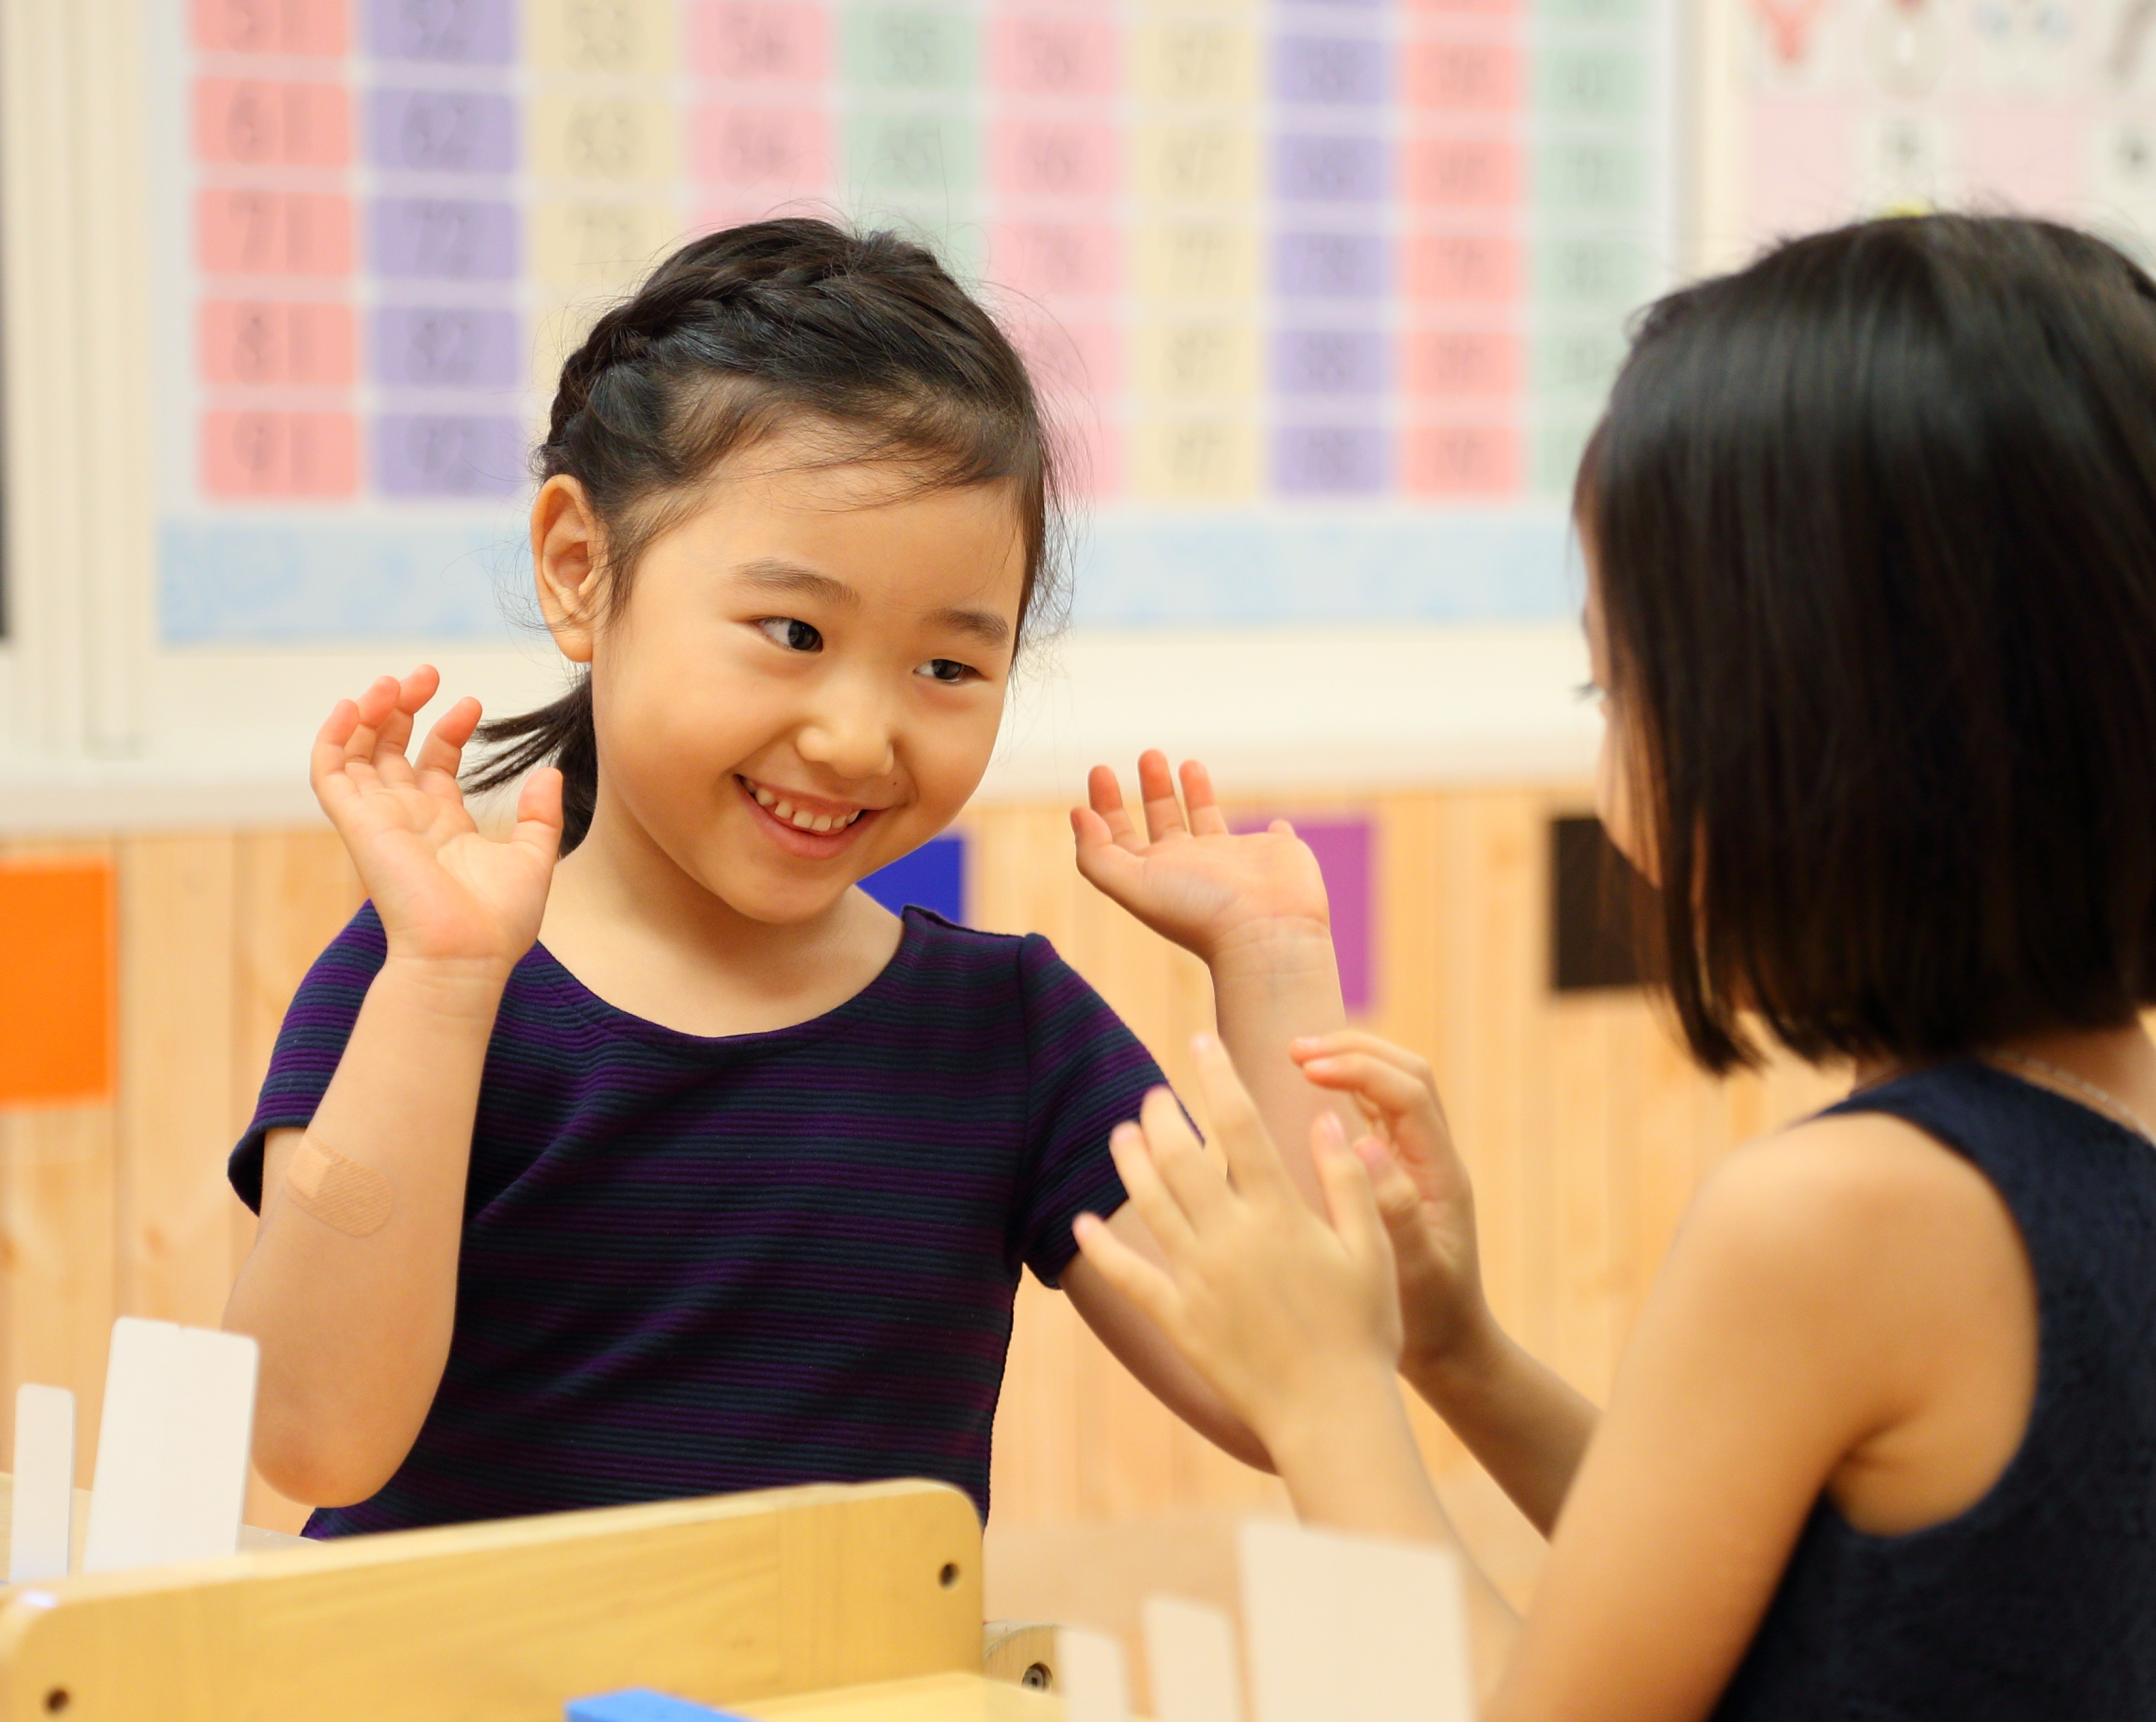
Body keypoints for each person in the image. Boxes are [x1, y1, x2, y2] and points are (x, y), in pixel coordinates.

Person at [1072, 215, 2156, 1719]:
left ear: (1821, 728)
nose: (1616, 771)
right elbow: (1773, 1580)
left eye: (1620, 688)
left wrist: (1322, 1388)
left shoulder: (1842, 1215)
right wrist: (1458, 1352)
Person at [221, 220, 1353, 1534]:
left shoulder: (1010, 1036)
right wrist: (442, 985)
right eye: (793, 633)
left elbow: (1304, 1397)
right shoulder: (419, 976)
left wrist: (1274, 969)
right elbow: (309, 1441)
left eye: (947, 666)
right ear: (581, 570)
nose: (859, 736)